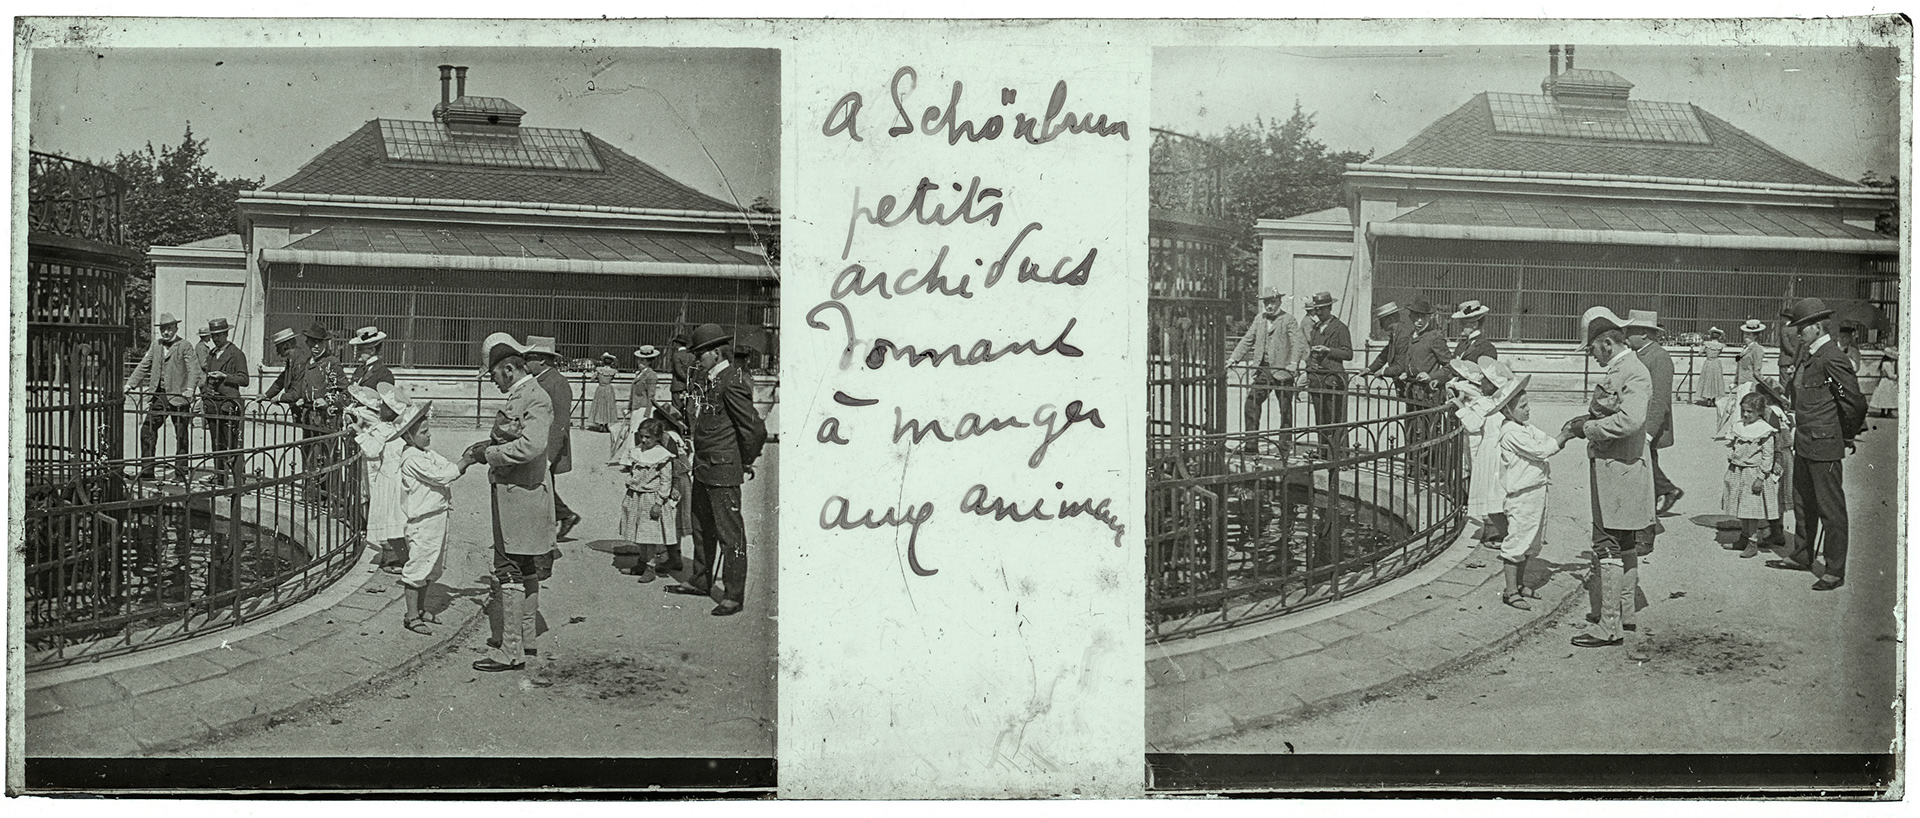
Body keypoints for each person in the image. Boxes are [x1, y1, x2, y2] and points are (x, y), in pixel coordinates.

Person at [1558, 307, 1653, 656]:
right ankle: (1625, 613)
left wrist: (1588, 428)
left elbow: (1629, 420)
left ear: (1607, 344)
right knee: (1625, 541)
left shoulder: (1632, 371)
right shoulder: (1624, 368)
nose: (1591, 357)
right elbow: (1610, 411)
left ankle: (1608, 625)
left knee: (1607, 543)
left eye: (1592, 350)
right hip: (1618, 467)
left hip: (1618, 468)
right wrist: (1587, 419)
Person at [665, 323, 768, 617]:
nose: (696, 360)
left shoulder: (731, 380)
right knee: (701, 527)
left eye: (700, 355)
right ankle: (700, 579)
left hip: (722, 470)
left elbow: (754, 429)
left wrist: (743, 460)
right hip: (704, 466)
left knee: (729, 534)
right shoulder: (710, 379)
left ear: (714, 352)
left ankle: (733, 595)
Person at [471, 332, 555, 672]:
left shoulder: (535, 397)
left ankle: (510, 651)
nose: (492, 381)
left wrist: (488, 453)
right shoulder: (527, 394)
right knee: (527, 565)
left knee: (508, 568)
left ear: (508, 369)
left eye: (493, 375)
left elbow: (532, 446)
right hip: (519, 492)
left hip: (519, 495)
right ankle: (526, 637)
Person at [1769, 298, 1866, 592]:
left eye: (1801, 329)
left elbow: (1854, 402)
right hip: (1805, 439)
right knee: (1802, 502)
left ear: (1816, 327)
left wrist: (1844, 435)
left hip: (1825, 444)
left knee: (1830, 508)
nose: (1797, 334)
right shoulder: (1809, 354)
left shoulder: (1831, 357)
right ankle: (1802, 554)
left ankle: (1834, 570)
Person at [393, 400, 469, 634]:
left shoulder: (425, 453)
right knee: (418, 565)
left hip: (437, 516)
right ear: (408, 437)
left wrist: (463, 461)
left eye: (429, 431)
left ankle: (421, 607)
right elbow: (441, 475)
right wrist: (467, 461)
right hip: (423, 520)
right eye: (424, 432)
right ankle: (411, 615)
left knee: (431, 565)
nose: (429, 436)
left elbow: (446, 466)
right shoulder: (412, 458)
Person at [1494, 373, 1557, 610]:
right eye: (1522, 406)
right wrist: (1565, 435)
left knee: (1532, 540)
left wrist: (1556, 439)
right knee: (1517, 540)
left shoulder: (1525, 427)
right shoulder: (1511, 432)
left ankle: (1520, 584)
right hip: (1522, 495)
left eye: (1528, 404)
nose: (1528, 409)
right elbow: (1541, 450)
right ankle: (1510, 591)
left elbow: (1545, 440)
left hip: (1537, 491)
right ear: (1508, 412)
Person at [1227, 286, 1307, 454]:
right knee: (1251, 404)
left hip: (1283, 370)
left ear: (1279, 301)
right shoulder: (1260, 319)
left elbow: (1298, 343)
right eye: (1266, 302)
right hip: (1263, 371)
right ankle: (1251, 446)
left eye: (1272, 302)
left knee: (1285, 409)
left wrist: (1294, 362)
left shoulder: (1288, 319)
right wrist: (1234, 358)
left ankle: (1284, 447)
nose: (1269, 306)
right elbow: (1248, 339)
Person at [125, 312, 203, 482]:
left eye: (169, 328)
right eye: (163, 329)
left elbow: (194, 370)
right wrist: (129, 384)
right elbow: (143, 365)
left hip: (178, 396)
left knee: (181, 435)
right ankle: (147, 472)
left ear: (176, 327)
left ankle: (181, 474)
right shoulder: (157, 345)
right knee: (147, 430)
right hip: (158, 397)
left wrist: (190, 388)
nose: (166, 332)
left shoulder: (185, 346)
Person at [1623, 310, 1682, 519]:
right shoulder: (1640, 354)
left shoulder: (1659, 357)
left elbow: (1660, 398)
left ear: (1645, 333)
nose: (1626, 335)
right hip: (1638, 420)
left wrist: (1649, 432)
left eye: (1630, 331)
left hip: (1649, 423)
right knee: (1646, 462)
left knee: (1644, 461)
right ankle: (1660, 493)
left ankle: (1663, 492)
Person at [345, 384, 408, 573]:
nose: (378, 409)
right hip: (388, 476)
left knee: (388, 517)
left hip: (388, 478)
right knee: (390, 518)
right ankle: (394, 556)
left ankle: (397, 559)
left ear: (389, 412)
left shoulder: (385, 429)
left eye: (383, 408)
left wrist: (358, 433)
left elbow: (373, 449)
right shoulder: (389, 428)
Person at [522, 335, 580, 540]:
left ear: (542, 360)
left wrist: (550, 456)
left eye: (529, 357)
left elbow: (560, 423)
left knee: (541, 486)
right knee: (540, 486)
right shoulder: (541, 380)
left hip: (547, 447)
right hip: (537, 443)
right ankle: (561, 517)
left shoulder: (557, 383)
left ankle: (560, 518)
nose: (525, 362)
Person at [1445, 358, 1502, 552]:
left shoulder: (1486, 402)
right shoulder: (1483, 399)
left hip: (1483, 443)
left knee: (1487, 484)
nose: (1480, 383)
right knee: (1475, 477)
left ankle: (1493, 530)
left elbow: (1474, 423)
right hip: (1478, 440)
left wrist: (1459, 405)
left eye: (1484, 381)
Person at [615, 417, 681, 584]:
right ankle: (641, 563)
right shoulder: (638, 451)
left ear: (657, 437)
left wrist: (659, 502)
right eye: (641, 436)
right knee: (639, 532)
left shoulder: (662, 456)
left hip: (651, 499)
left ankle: (650, 567)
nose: (643, 440)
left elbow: (666, 481)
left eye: (648, 437)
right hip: (636, 496)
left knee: (649, 535)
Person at [1716, 392, 1780, 559]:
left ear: (1759, 412)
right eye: (1743, 410)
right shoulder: (1740, 425)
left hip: (1753, 474)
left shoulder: (1764, 430)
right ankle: (1743, 539)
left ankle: (1752, 543)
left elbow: (1768, 455)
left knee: (1751, 511)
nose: (1745, 415)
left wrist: (1761, 476)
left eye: (1750, 412)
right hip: (1738, 471)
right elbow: (1732, 444)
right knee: (1741, 508)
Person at [1300, 291, 1352, 458]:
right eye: (1316, 309)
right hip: (1317, 379)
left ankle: (1340, 455)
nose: (1318, 313)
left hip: (1334, 379)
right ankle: (1323, 453)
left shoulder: (1340, 327)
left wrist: (1328, 350)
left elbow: (1348, 353)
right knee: (1320, 418)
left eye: (1321, 309)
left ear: (1329, 308)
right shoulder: (1315, 328)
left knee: (1337, 419)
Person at [198, 317, 249, 486]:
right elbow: (206, 377)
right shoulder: (212, 353)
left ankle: (238, 480)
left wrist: (225, 376)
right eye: (213, 336)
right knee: (216, 444)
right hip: (213, 404)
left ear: (226, 334)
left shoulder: (236, 354)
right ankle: (220, 478)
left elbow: (244, 379)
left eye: (219, 335)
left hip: (229, 405)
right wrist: (205, 392)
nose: (216, 339)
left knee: (233, 444)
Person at [1363, 300, 1412, 392]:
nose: (1381, 326)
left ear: (1391, 319)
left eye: (1382, 321)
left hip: (1409, 383)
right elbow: (1384, 355)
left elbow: (1400, 367)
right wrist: (1369, 369)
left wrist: (1382, 371)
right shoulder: (1395, 334)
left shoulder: (1403, 336)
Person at [259, 326, 310, 412]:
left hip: (304, 408)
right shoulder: (292, 360)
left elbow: (297, 393)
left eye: (278, 347)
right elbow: (282, 380)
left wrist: (279, 398)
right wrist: (265, 395)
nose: (277, 352)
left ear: (287, 345)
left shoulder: (299, 361)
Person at [1450, 299, 1498, 363]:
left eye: (1463, 324)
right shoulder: (1462, 344)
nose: (1460, 326)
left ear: (1475, 325)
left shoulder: (1487, 348)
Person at [668, 332, 699, 421]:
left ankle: (678, 430)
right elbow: (694, 371)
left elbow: (678, 371)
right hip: (689, 387)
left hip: (677, 387)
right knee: (688, 410)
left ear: (677, 344)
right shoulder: (692, 356)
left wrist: (686, 379)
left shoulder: (676, 355)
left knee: (676, 410)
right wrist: (690, 381)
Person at [588, 352, 620, 433]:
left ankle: (601, 425)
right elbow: (615, 377)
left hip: (601, 388)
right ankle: (606, 424)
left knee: (600, 406)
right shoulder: (613, 371)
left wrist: (598, 379)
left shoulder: (599, 370)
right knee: (608, 406)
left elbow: (592, 378)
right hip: (609, 389)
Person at [1869, 343, 1899, 417]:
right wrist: (1896, 376)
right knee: (1888, 396)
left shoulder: (1885, 363)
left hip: (1883, 381)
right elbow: (1890, 375)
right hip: (1887, 381)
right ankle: (1888, 412)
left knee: (1884, 396)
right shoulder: (1887, 364)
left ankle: (1883, 412)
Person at [1697, 327, 1727, 405]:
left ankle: (1708, 398)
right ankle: (1714, 398)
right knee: (1716, 379)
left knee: (1707, 380)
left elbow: (1700, 352)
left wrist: (1705, 354)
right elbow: (1719, 353)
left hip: (1709, 362)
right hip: (1716, 363)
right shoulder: (1721, 345)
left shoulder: (1707, 344)